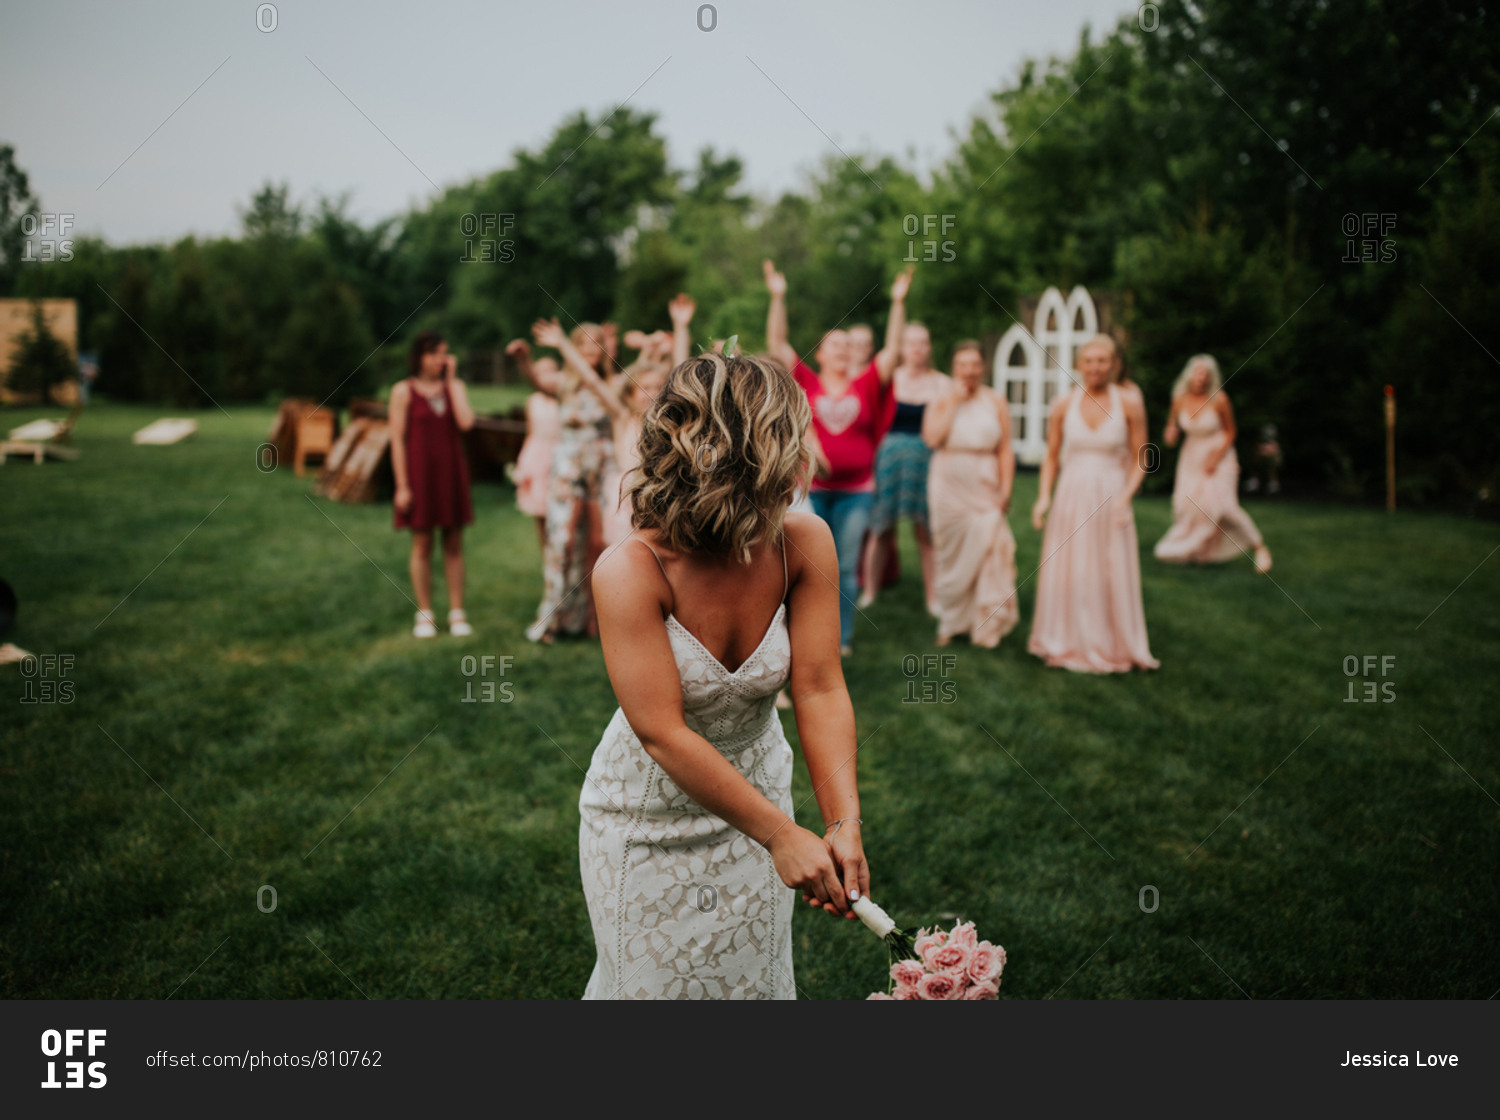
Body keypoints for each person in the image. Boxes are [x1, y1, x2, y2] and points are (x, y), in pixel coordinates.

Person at [579, 349, 869, 999]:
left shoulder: (804, 542)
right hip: (647, 819)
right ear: (757, 457)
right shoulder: (629, 570)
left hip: (765, 794)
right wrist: (780, 834)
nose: (804, 460)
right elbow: (661, 733)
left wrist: (842, 821)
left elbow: (821, 686)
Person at [763, 258, 911, 655]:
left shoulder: (865, 383)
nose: (843, 350)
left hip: (857, 491)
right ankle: (799, 637)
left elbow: (893, 350)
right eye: (835, 344)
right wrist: (778, 297)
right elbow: (777, 344)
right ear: (822, 352)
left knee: (845, 568)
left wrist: (898, 303)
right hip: (810, 491)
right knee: (804, 568)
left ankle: (839, 639)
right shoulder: (806, 380)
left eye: (848, 345)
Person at [1028, 335, 1158, 673]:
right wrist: (1043, 497)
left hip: (1112, 493)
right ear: (1078, 364)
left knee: (1108, 567)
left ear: (1114, 364)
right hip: (1071, 494)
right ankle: (1066, 639)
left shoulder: (1128, 402)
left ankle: (1112, 642)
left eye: (1103, 360)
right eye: (1089, 360)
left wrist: (1127, 497)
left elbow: (1142, 454)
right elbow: (1052, 456)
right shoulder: (1063, 404)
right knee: (1071, 566)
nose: (1096, 367)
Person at [508, 322, 616, 642]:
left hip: (601, 471)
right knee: (563, 542)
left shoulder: (609, 382)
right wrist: (523, 360)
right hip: (568, 469)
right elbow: (536, 381)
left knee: (596, 546)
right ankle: (552, 617)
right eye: (583, 345)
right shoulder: (564, 383)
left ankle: (593, 618)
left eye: (596, 344)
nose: (590, 351)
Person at [922, 340, 1018, 648]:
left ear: (983, 367)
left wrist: (1006, 489)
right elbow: (932, 438)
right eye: (963, 364)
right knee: (950, 554)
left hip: (985, 483)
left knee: (992, 547)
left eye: (975, 364)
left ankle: (985, 624)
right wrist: (955, 402)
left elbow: (1005, 449)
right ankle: (952, 622)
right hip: (948, 484)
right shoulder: (941, 398)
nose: (969, 371)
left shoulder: (996, 400)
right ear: (954, 367)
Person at [389, 330, 477, 638]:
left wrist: (452, 382)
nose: (442, 359)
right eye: (436, 353)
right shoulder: (403, 391)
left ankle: (456, 612)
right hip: (418, 477)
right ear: (420, 356)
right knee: (422, 544)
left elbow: (466, 422)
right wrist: (402, 485)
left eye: (445, 353)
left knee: (454, 544)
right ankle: (424, 612)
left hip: (451, 474)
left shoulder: (455, 387)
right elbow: (397, 441)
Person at [859, 322, 949, 614]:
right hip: (888, 462)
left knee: (926, 531)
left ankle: (933, 597)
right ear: (903, 347)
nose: (917, 349)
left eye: (922, 343)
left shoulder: (941, 384)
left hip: (926, 462)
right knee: (881, 527)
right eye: (911, 343)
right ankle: (870, 590)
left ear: (929, 347)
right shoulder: (889, 379)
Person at [1154, 354, 1273, 572]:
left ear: (1211, 378)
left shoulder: (1220, 400)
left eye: (1206, 375)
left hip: (1220, 455)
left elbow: (1230, 432)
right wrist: (1170, 435)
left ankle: (1259, 547)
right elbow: (1172, 432)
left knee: (1225, 507)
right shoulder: (1179, 399)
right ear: (1189, 375)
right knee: (1187, 506)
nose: (1201, 379)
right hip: (1191, 458)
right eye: (1198, 373)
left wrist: (1215, 459)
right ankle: (1201, 551)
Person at [511, 357, 561, 548]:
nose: (547, 376)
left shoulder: (563, 398)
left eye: (551, 370)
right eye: (541, 372)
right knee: (541, 511)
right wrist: (524, 460)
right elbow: (530, 432)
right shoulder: (532, 401)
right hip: (538, 456)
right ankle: (547, 558)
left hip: (558, 455)